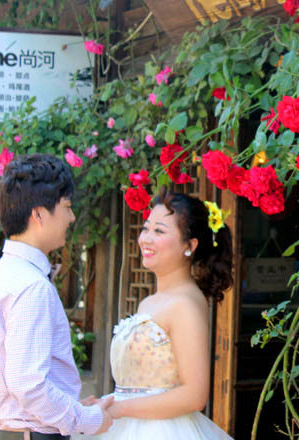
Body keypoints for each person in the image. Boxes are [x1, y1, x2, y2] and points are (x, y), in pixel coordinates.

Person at [0, 153, 115, 440]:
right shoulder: (31, 285)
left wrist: (70, 407)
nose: (71, 218)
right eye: (67, 207)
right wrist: (87, 418)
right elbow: (28, 385)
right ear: (38, 214)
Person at [79, 188, 234, 439]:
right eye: (146, 228)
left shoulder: (185, 303)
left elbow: (194, 394)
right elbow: (146, 386)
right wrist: (107, 402)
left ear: (189, 245)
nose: (146, 239)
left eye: (159, 231)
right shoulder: (150, 303)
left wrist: (119, 408)